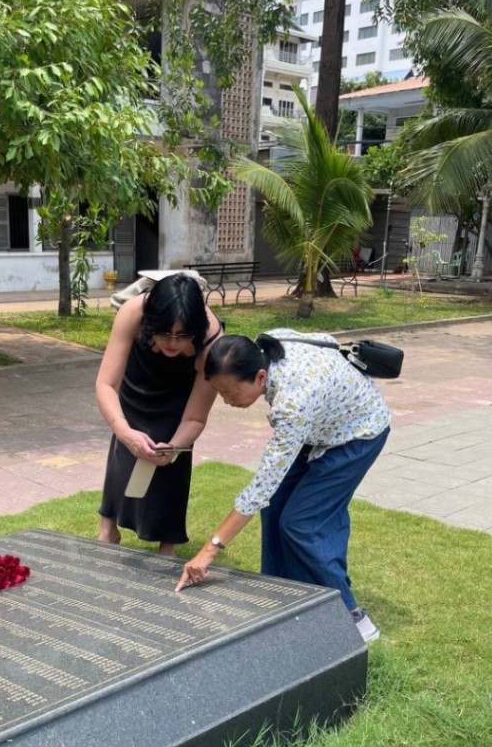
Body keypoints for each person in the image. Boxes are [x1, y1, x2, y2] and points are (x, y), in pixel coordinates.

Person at [175, 329, 391, 643]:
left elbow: (260, 488)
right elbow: (327, 341)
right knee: (275, 507)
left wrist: (208, 552)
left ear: (260, 377)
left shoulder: (292, 403)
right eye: (220, 393)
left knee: (304, 524)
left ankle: (352, 617)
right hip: (320, 424)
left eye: (231, 392)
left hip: (358, 433)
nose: (227, 401)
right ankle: (281, 598)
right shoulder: (267, 345)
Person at [96, 272, 223, 555]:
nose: (173, 343)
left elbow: (195, 418)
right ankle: (108, 530)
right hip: (137, 384)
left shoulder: (211, 339)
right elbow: (105, 384)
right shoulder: (133, 312)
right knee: (123, 452)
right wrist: (123, 430)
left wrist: (174, 446)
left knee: (172, 464)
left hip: (180, 398)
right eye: (165, 333)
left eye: (183, 335)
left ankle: (168, 545)